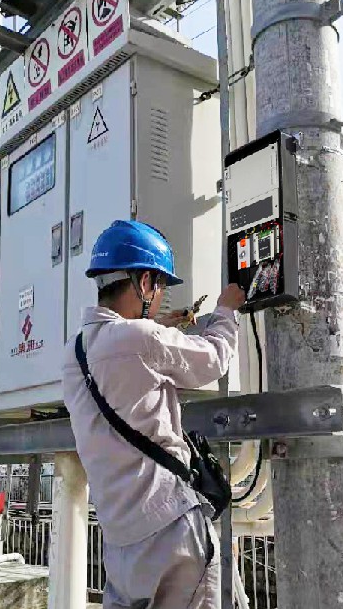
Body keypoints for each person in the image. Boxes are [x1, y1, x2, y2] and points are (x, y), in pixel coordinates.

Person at [62, 219, 245, 608]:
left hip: (119, 538)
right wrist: (226, 311)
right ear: (145, 282)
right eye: (161, 286)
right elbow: (214, 359)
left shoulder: (75, 353)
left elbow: (124, 351)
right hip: (169, 527)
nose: (161, 296)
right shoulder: (142, 339)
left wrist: (158, 325)